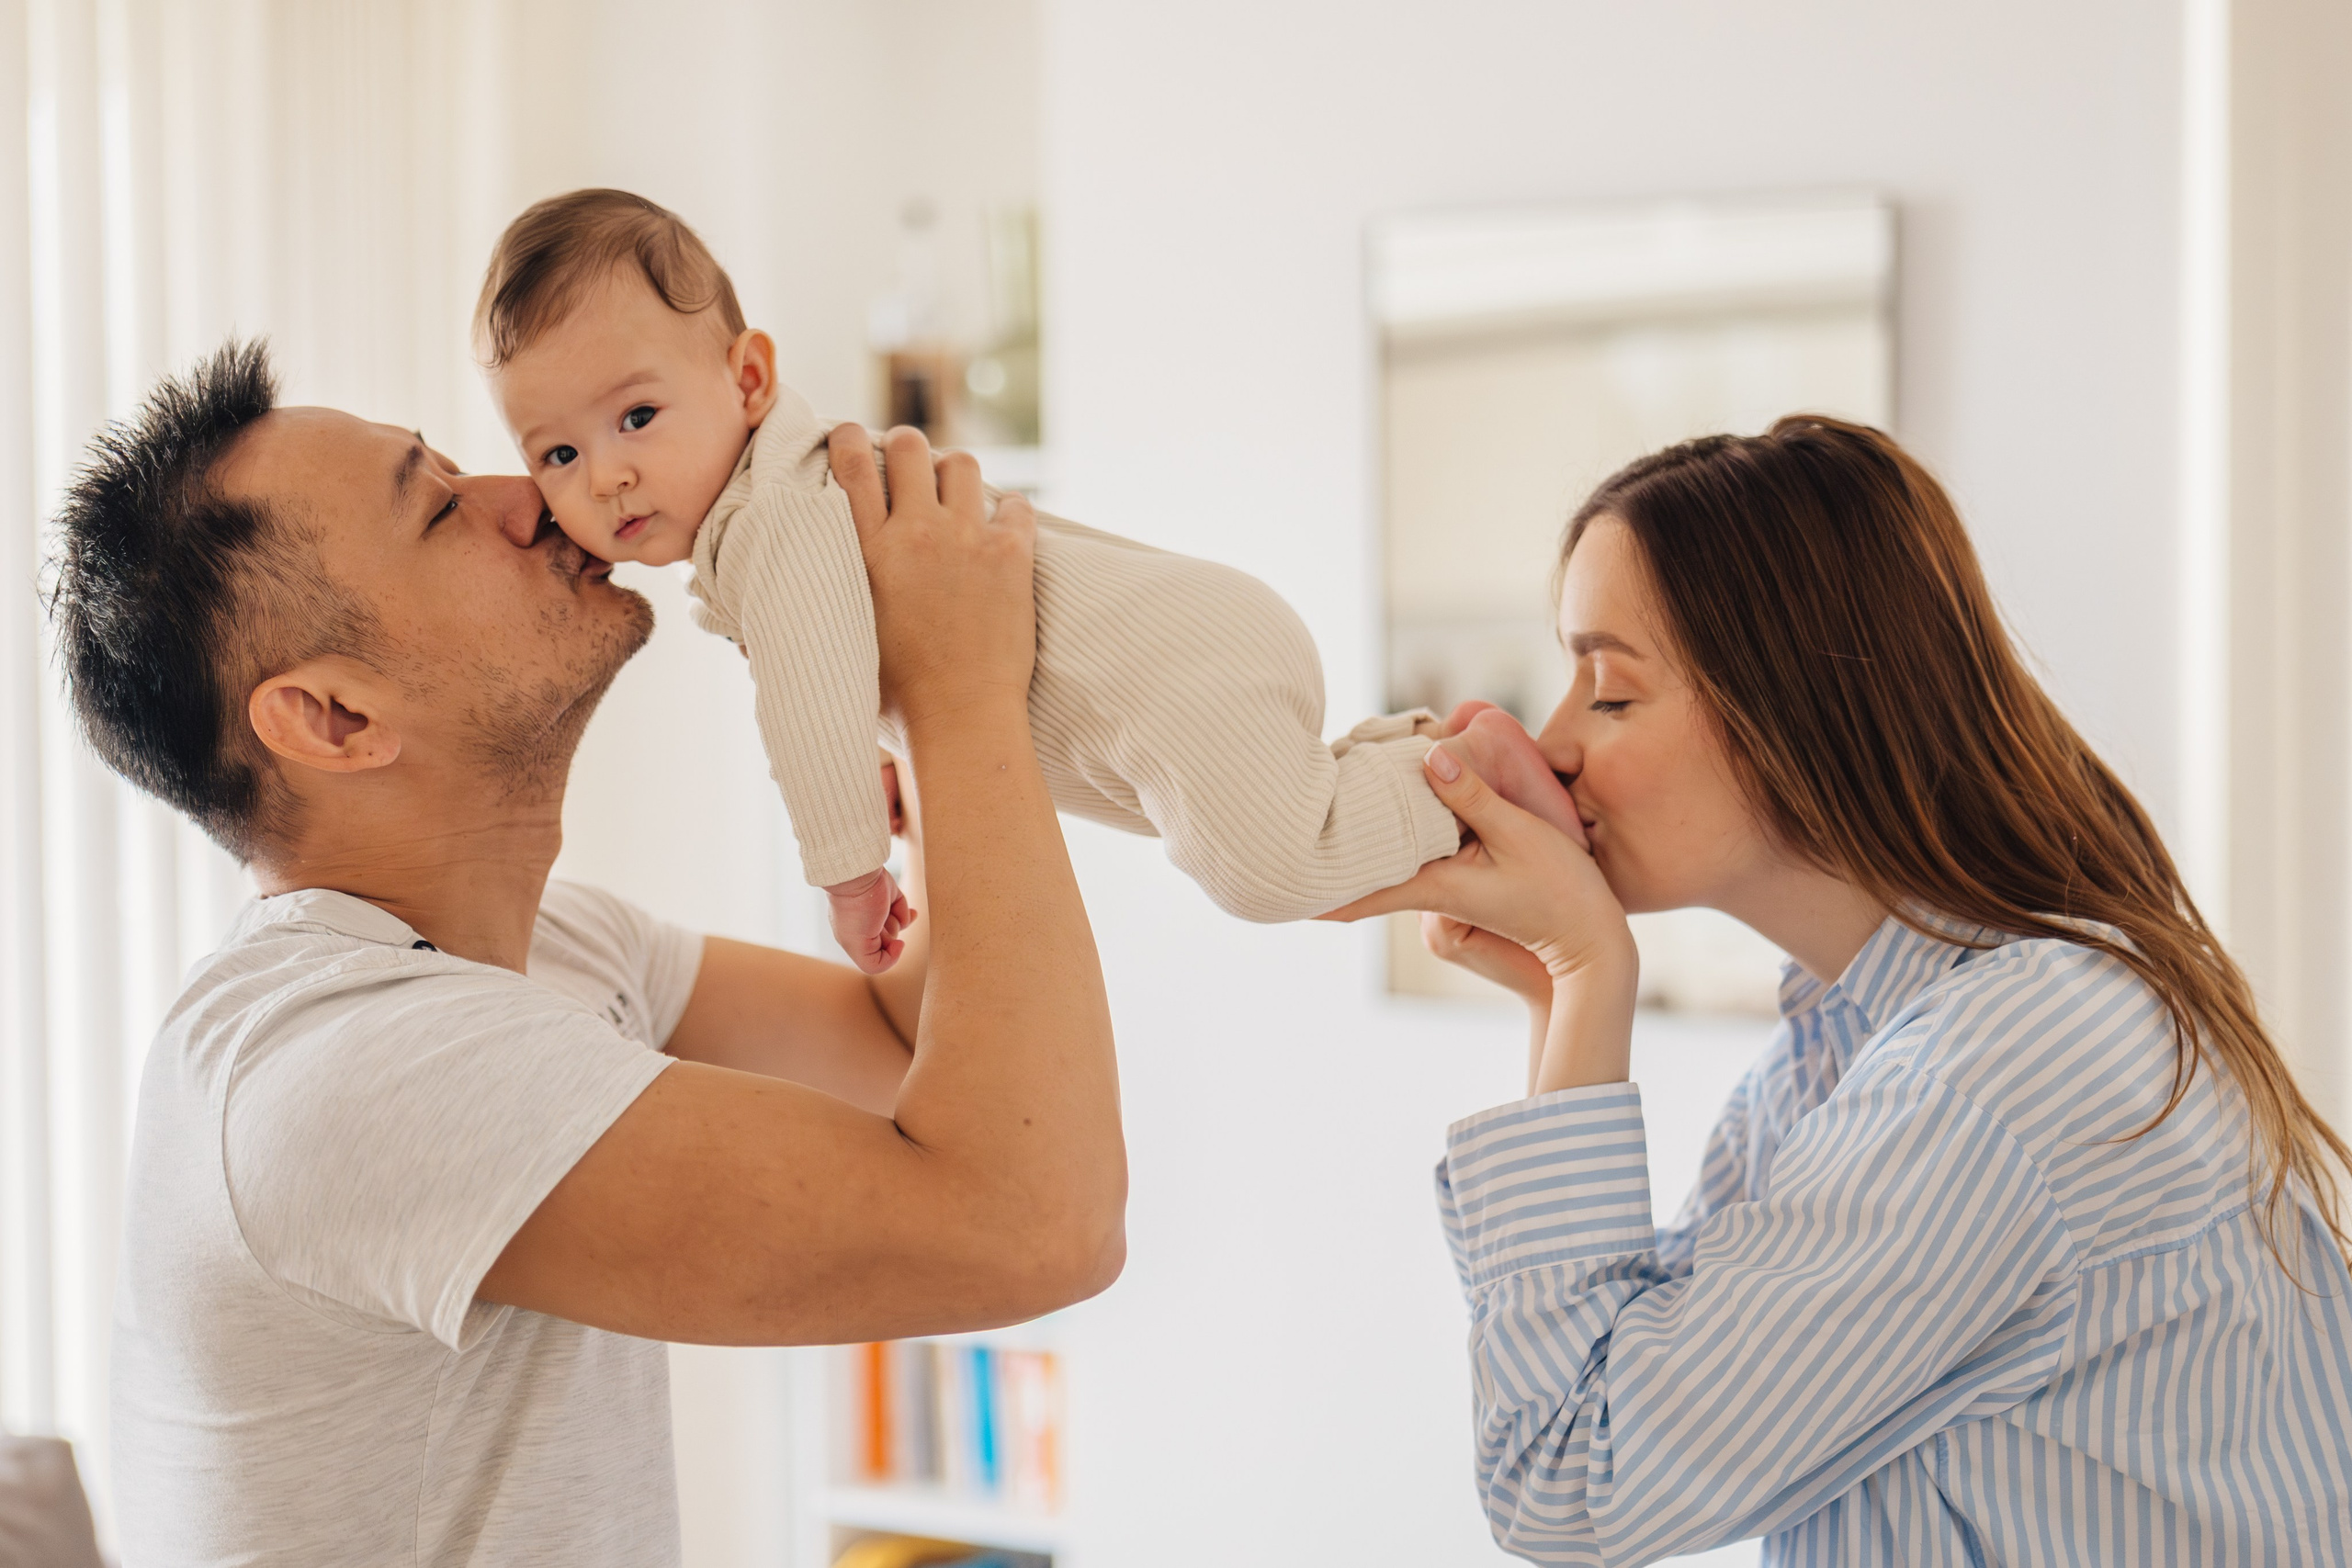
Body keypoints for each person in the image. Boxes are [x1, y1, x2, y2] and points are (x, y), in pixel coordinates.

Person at [52, 341, 1126, 1566]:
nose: (528, 496)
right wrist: (961, 689)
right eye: (440, 505)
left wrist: (890, 682)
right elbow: (1038, 1222)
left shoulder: (549, 948)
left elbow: (898, 1046)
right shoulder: (347, 1069)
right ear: (335, 716)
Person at [1337, 416, 2352, 1562]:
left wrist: (1586, 974)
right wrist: (1552, 998)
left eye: (1610, 694)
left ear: (1793, 711)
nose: (1555, 742)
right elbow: (1609, 1380)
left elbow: (1573, 1484)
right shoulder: (1825, 1067)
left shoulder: (2015, 1060)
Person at [474, 188, 1582, 971]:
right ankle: (1396, 759)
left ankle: (1458, 773)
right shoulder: (782, 511)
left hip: (1174, 667)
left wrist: (849, 869)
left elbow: (806, 698)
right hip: (1166, 677)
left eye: (636, 417)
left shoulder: (774, 518)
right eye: (556, 455)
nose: (605, 476)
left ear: (749, 377)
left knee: (1267, 873)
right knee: (1236, 836)